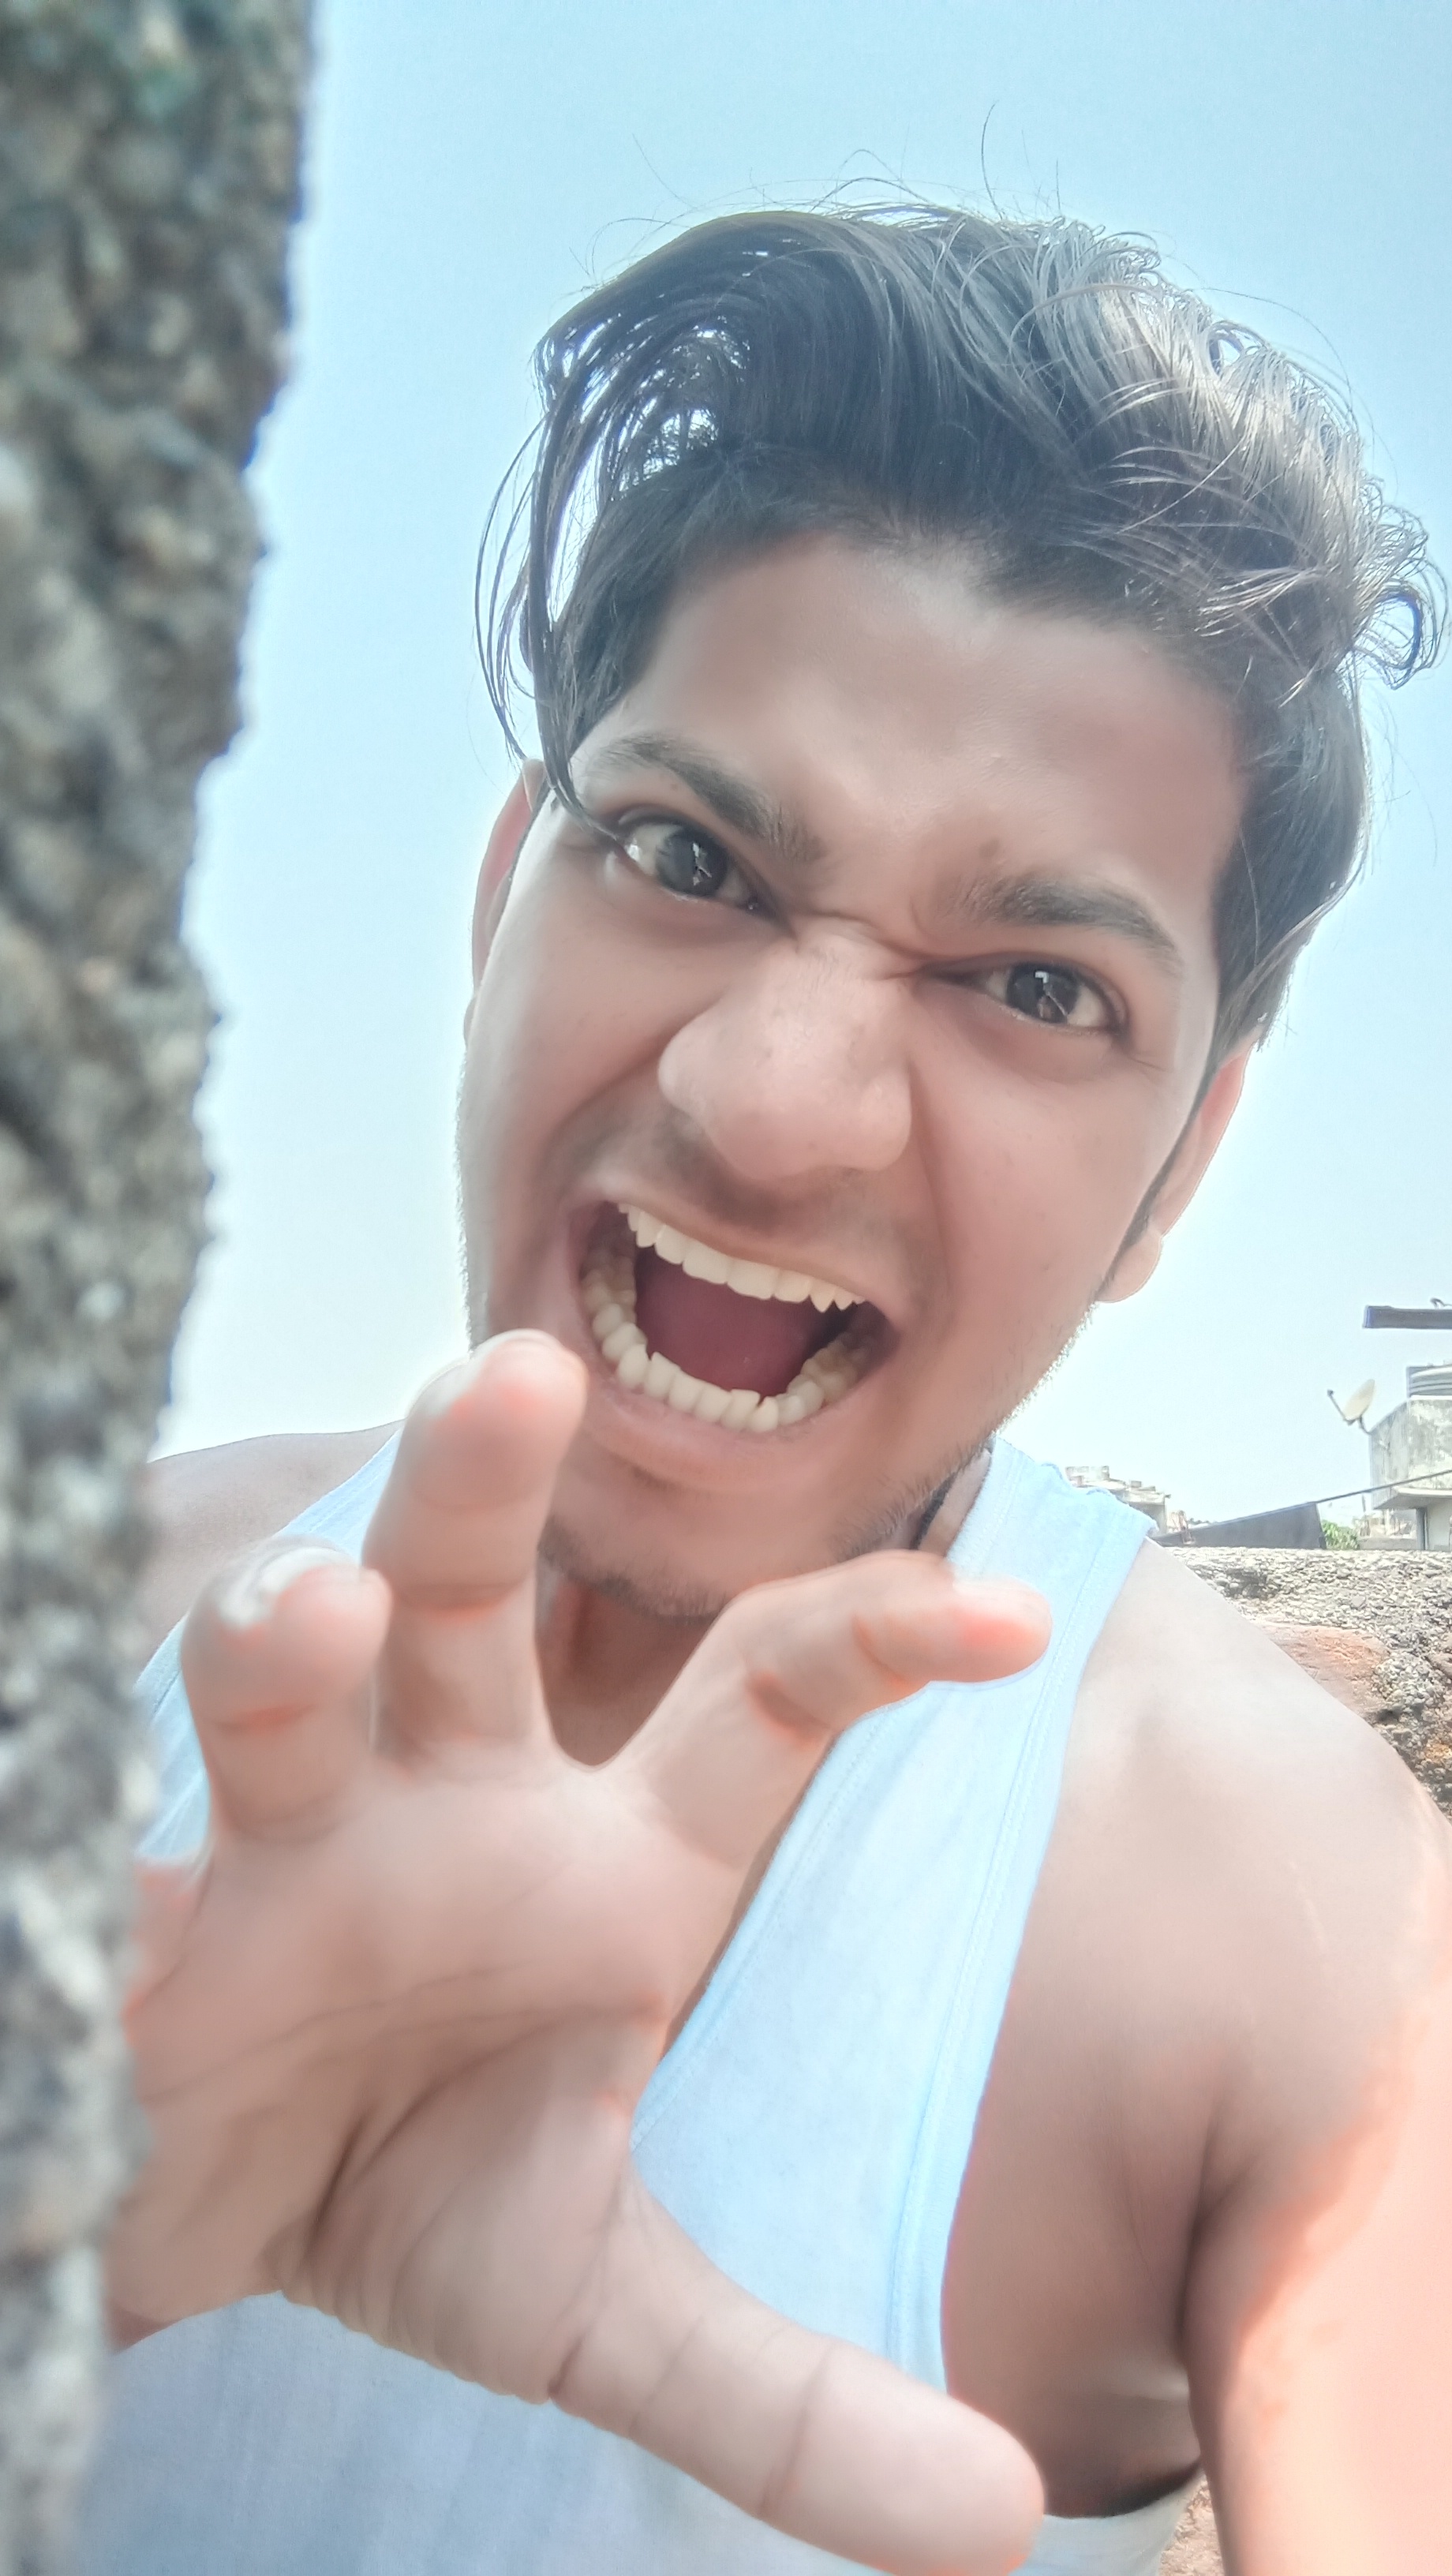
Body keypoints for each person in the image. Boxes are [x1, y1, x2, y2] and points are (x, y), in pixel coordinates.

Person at [87, 209, 1450, 2576]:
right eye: (686, 854)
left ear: (1180, 1170)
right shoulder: (96, 1626)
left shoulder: (1316, 1946)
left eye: (1034, 988)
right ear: (503, 897)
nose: (773, 1104)